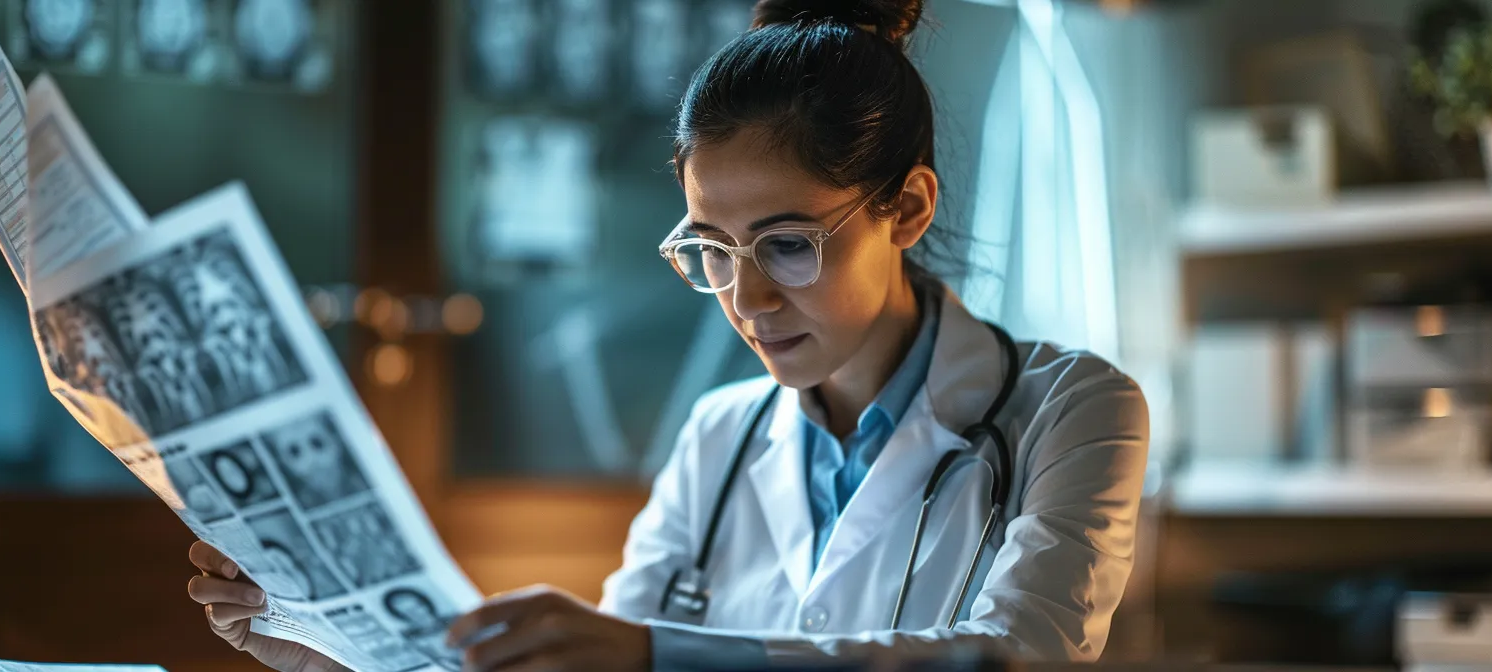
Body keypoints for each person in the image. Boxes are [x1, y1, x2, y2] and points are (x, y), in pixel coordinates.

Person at [184, 0, 1149, 669]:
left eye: (788, 245)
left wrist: (651, 655)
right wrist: (335, 660)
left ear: (906, 207)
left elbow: (1016, 660)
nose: (748, 299)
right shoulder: (719, 438)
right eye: (713, 250)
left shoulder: (1072, 410)